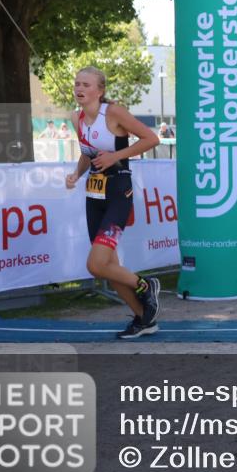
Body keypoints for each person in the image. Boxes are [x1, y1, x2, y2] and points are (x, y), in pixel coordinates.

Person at [65, 66, 161, 339]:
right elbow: (88, 153)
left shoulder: (114, 113)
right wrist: (76, 173)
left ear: (100, 90)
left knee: (96, 265)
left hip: (118, 191)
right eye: (76, 84)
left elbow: (151, 139)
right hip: (94, 194)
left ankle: (146, 284)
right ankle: (144, 320)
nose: (79, 88)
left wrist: (115, 155)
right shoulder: (77, 118)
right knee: (109, 266)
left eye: (86, 84)